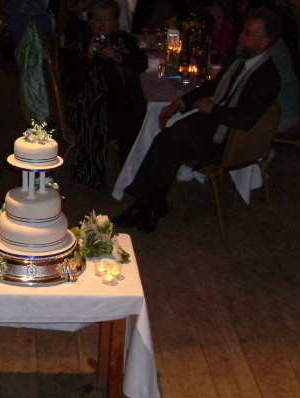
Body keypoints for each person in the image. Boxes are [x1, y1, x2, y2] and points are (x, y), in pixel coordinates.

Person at [112, 7, 281, 233]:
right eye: (243, 30)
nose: (240, 35)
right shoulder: (240, 59)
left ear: (264, 42)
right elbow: (211, 86)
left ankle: (146, 206)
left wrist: (212, 109)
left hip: (230, 139)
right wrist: (181, 103)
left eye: (247, 33)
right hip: (211, 123)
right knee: (166, 139)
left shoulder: (268, 77)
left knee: (169, 142)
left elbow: (245, 120)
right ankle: (150, 205)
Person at [60, 0, 147, 191]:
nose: (102, 24)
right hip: (86, 109)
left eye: (107, 20)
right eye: (97, 19)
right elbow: (69, 84)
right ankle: (121, 177)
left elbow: (142, 63)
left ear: (115, 22)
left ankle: (130, 176)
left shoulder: (123, 40)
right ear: (90, 22)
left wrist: (119, 57)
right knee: (129, 124)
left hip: (119, 106)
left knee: (142, 119)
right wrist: (88, 57)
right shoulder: (78, 44)